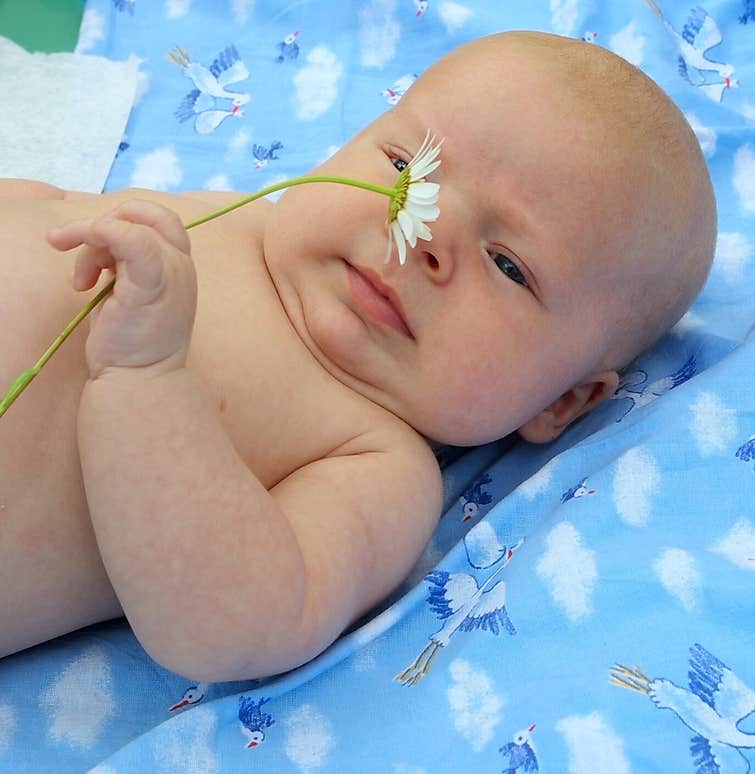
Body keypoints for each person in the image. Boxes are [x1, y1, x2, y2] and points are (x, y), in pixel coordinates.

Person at [0, 30, 716, 681]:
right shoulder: (239, 216)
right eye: (407, 163)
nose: (420, 228)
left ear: (562, 401)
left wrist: (145, 376)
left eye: (507, 264)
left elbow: (236, 625)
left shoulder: (378, 466)